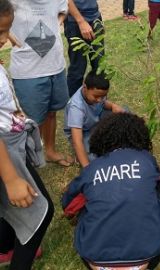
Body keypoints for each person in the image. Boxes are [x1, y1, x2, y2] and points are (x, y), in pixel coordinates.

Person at [62, 113, 160, 270]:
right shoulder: (145, 159)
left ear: (101, 139)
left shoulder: (92, 169)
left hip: (95, 260)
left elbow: (68, 203)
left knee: (87, 197)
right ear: (140, 137)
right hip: (147, 259)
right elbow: (157, 179)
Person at [0, 1, 54, 268]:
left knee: (7, 207)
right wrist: (10, 178)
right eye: (0, 32)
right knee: (42, 212)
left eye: (6, 31)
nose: (5, 39)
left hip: (11, 141)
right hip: (4, 151)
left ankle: (5, 247)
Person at [9, 0, 73, 167]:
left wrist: (54, 28)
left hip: (56, 65)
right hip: (27, 71)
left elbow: (63, 10)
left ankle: (50, 151)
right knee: (31, 121)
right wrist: (11, 37)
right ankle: (28, 160)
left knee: (51, 112)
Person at [64, 70, 124, 168]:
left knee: (125, 112)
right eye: (96, 96)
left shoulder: (95, 93)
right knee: (94, 159)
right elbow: (77, 140)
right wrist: (87, 168)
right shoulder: (76, 108)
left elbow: (104, 103)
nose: (100, 100)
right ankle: (81, 156)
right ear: (85, 87)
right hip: (84, 133)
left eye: (103, 96)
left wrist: (113, 106)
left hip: (96, 121)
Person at [64, 0, 104, 97]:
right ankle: (75, 105)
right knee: (78, 68)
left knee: (100, 65)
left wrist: (98, 18)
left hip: (94, 17)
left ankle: (98, 100)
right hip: (75, 22)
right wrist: (81, 22)